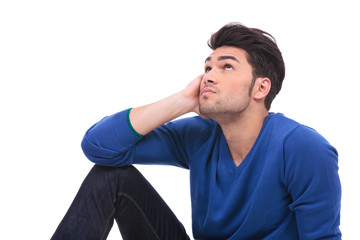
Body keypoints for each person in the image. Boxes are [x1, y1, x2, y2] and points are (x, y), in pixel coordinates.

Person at [51, 23, 342, 240]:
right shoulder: (199, 135)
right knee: (113, 178)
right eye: (207, 67)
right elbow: (98, 147)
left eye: (227, 67)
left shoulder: (302, 147)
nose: (209, 76)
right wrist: (182, 101)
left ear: (261, 88)